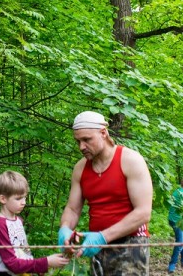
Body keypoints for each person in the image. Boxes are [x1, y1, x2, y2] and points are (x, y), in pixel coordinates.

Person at [58, 111, 153, 275]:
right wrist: (65, 229)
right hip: (97, 246)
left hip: (131, 243)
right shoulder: (80, 168)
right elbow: (73, 209)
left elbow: (143, 213)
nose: (81, 146)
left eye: (87, 140)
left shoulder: (131, 160)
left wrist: (102, 237)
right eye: (78, 141)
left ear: (103, 133)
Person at [0, 171, 69, 276]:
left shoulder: (18, 220)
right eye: (18, 198)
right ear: (3, 199)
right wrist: (46, 262)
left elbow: (24, 250)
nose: (24, 202)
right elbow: (11, 264)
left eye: (25, 197)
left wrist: (36, 268)